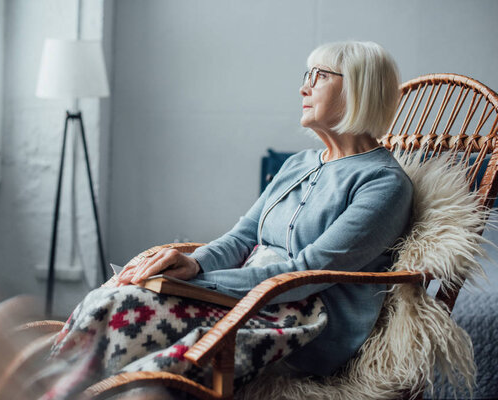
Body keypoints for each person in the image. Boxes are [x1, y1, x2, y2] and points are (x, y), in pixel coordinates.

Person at [42, 40, 413, 399]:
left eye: (320, 76)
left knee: (128, 307)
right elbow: (243, 235)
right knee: (109, 297)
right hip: (249, 294)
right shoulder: (298, 163)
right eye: (307, 74)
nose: (304, 87)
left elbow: (309, 271)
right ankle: (56, 388)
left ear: (359, 89)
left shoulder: (383, 183)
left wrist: (202, 283)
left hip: (301, 320)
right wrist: (191, 264)